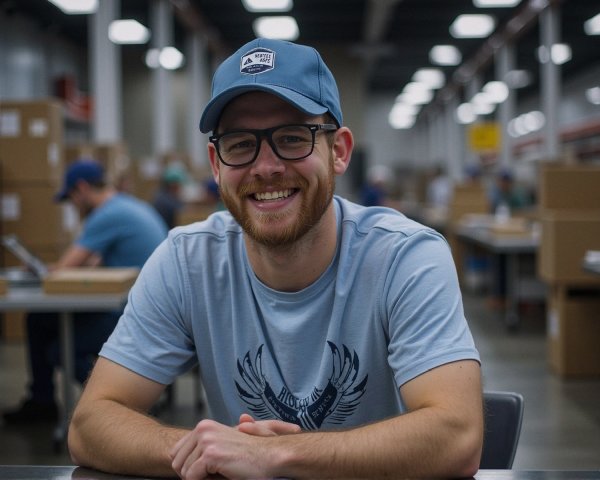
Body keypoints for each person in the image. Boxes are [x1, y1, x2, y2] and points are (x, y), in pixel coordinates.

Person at [68, 39, 483, 479]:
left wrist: (273, 455)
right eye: (241, 144)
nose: (265, 167)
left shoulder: (405, 257)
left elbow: (457, 436)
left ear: (339, 151)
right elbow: (90, 425)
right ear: (215, 163)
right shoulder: (187, 261)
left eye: (291, 138)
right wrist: (202, 448)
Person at [2, 160, 168, 425]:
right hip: (149, 308)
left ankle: (124, 404)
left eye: (72, 200)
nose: (74, 207)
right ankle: (41, 402)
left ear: (81, 189)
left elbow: (66, 267)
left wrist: (43, 270)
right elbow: (95, 261)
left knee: (60, 350)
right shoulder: (128, 205)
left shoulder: (106, 214)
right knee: (38, 320)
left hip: (134, 315)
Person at [152, 165, 187, 229]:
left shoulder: (163, 195)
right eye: (179, 184)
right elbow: (183, 213)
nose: (181, 187)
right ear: (173, 184)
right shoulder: (165, 201)